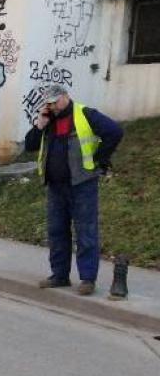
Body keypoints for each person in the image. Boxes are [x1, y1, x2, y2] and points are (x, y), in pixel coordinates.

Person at [26, 84, 123, 296]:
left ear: (66, 97)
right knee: (56, 231)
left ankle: (88, 279)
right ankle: (59, 275)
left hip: (82, 184)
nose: (52, 106)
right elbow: (29, 145)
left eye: (55, 101)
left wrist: (100, 158)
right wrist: (39, 125)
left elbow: (115, 131)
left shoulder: (85, 114)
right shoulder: (48, 119)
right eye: (49, 103)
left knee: (86, 232)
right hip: (55, 186)